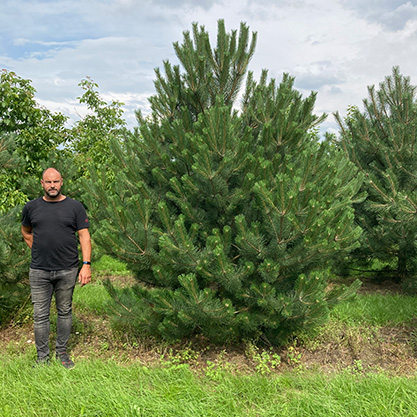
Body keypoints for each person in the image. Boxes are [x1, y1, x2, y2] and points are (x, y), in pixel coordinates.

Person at [21, 167, 92, 369]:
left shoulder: (75, 207)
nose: (52, 185)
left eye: (56, 181)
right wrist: (40, 250)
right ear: (42, 184)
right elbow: (26, 232)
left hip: (67, 269)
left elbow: (84, 236)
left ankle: (62, 352)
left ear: (62, 182)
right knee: (40, 315)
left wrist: (86, 265)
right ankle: (42, 358)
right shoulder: (31, 207)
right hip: (39, 270)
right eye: (48, 182)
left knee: (64, 311)